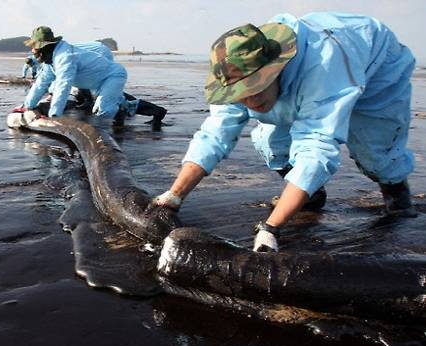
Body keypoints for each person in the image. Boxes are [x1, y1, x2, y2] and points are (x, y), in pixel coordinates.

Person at [153, 12, 417, 252]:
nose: (250, 102)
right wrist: (174, 195)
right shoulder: (233, 72)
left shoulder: (323, 69)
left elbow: (317, 145)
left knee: (376, 149)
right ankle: (310, 194)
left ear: (276, 70)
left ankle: (397, 196)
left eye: (256, 89)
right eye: (241, 95)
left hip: (375, 62)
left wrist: (271, 228)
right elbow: (215, 134)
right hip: (307, 75)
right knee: (270, 141)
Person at [19, 26, 130, 125]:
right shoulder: (50, 60)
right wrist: (28, 105)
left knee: (103, 110)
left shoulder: (65, 57)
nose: (33, 50)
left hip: (112, 76)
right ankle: (125, 107)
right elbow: (41, 83)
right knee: (104, 105)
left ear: (44, 47)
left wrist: (54, 116)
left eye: (35, 47)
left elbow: (63, 86)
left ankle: (120, 113)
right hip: (94, 82)